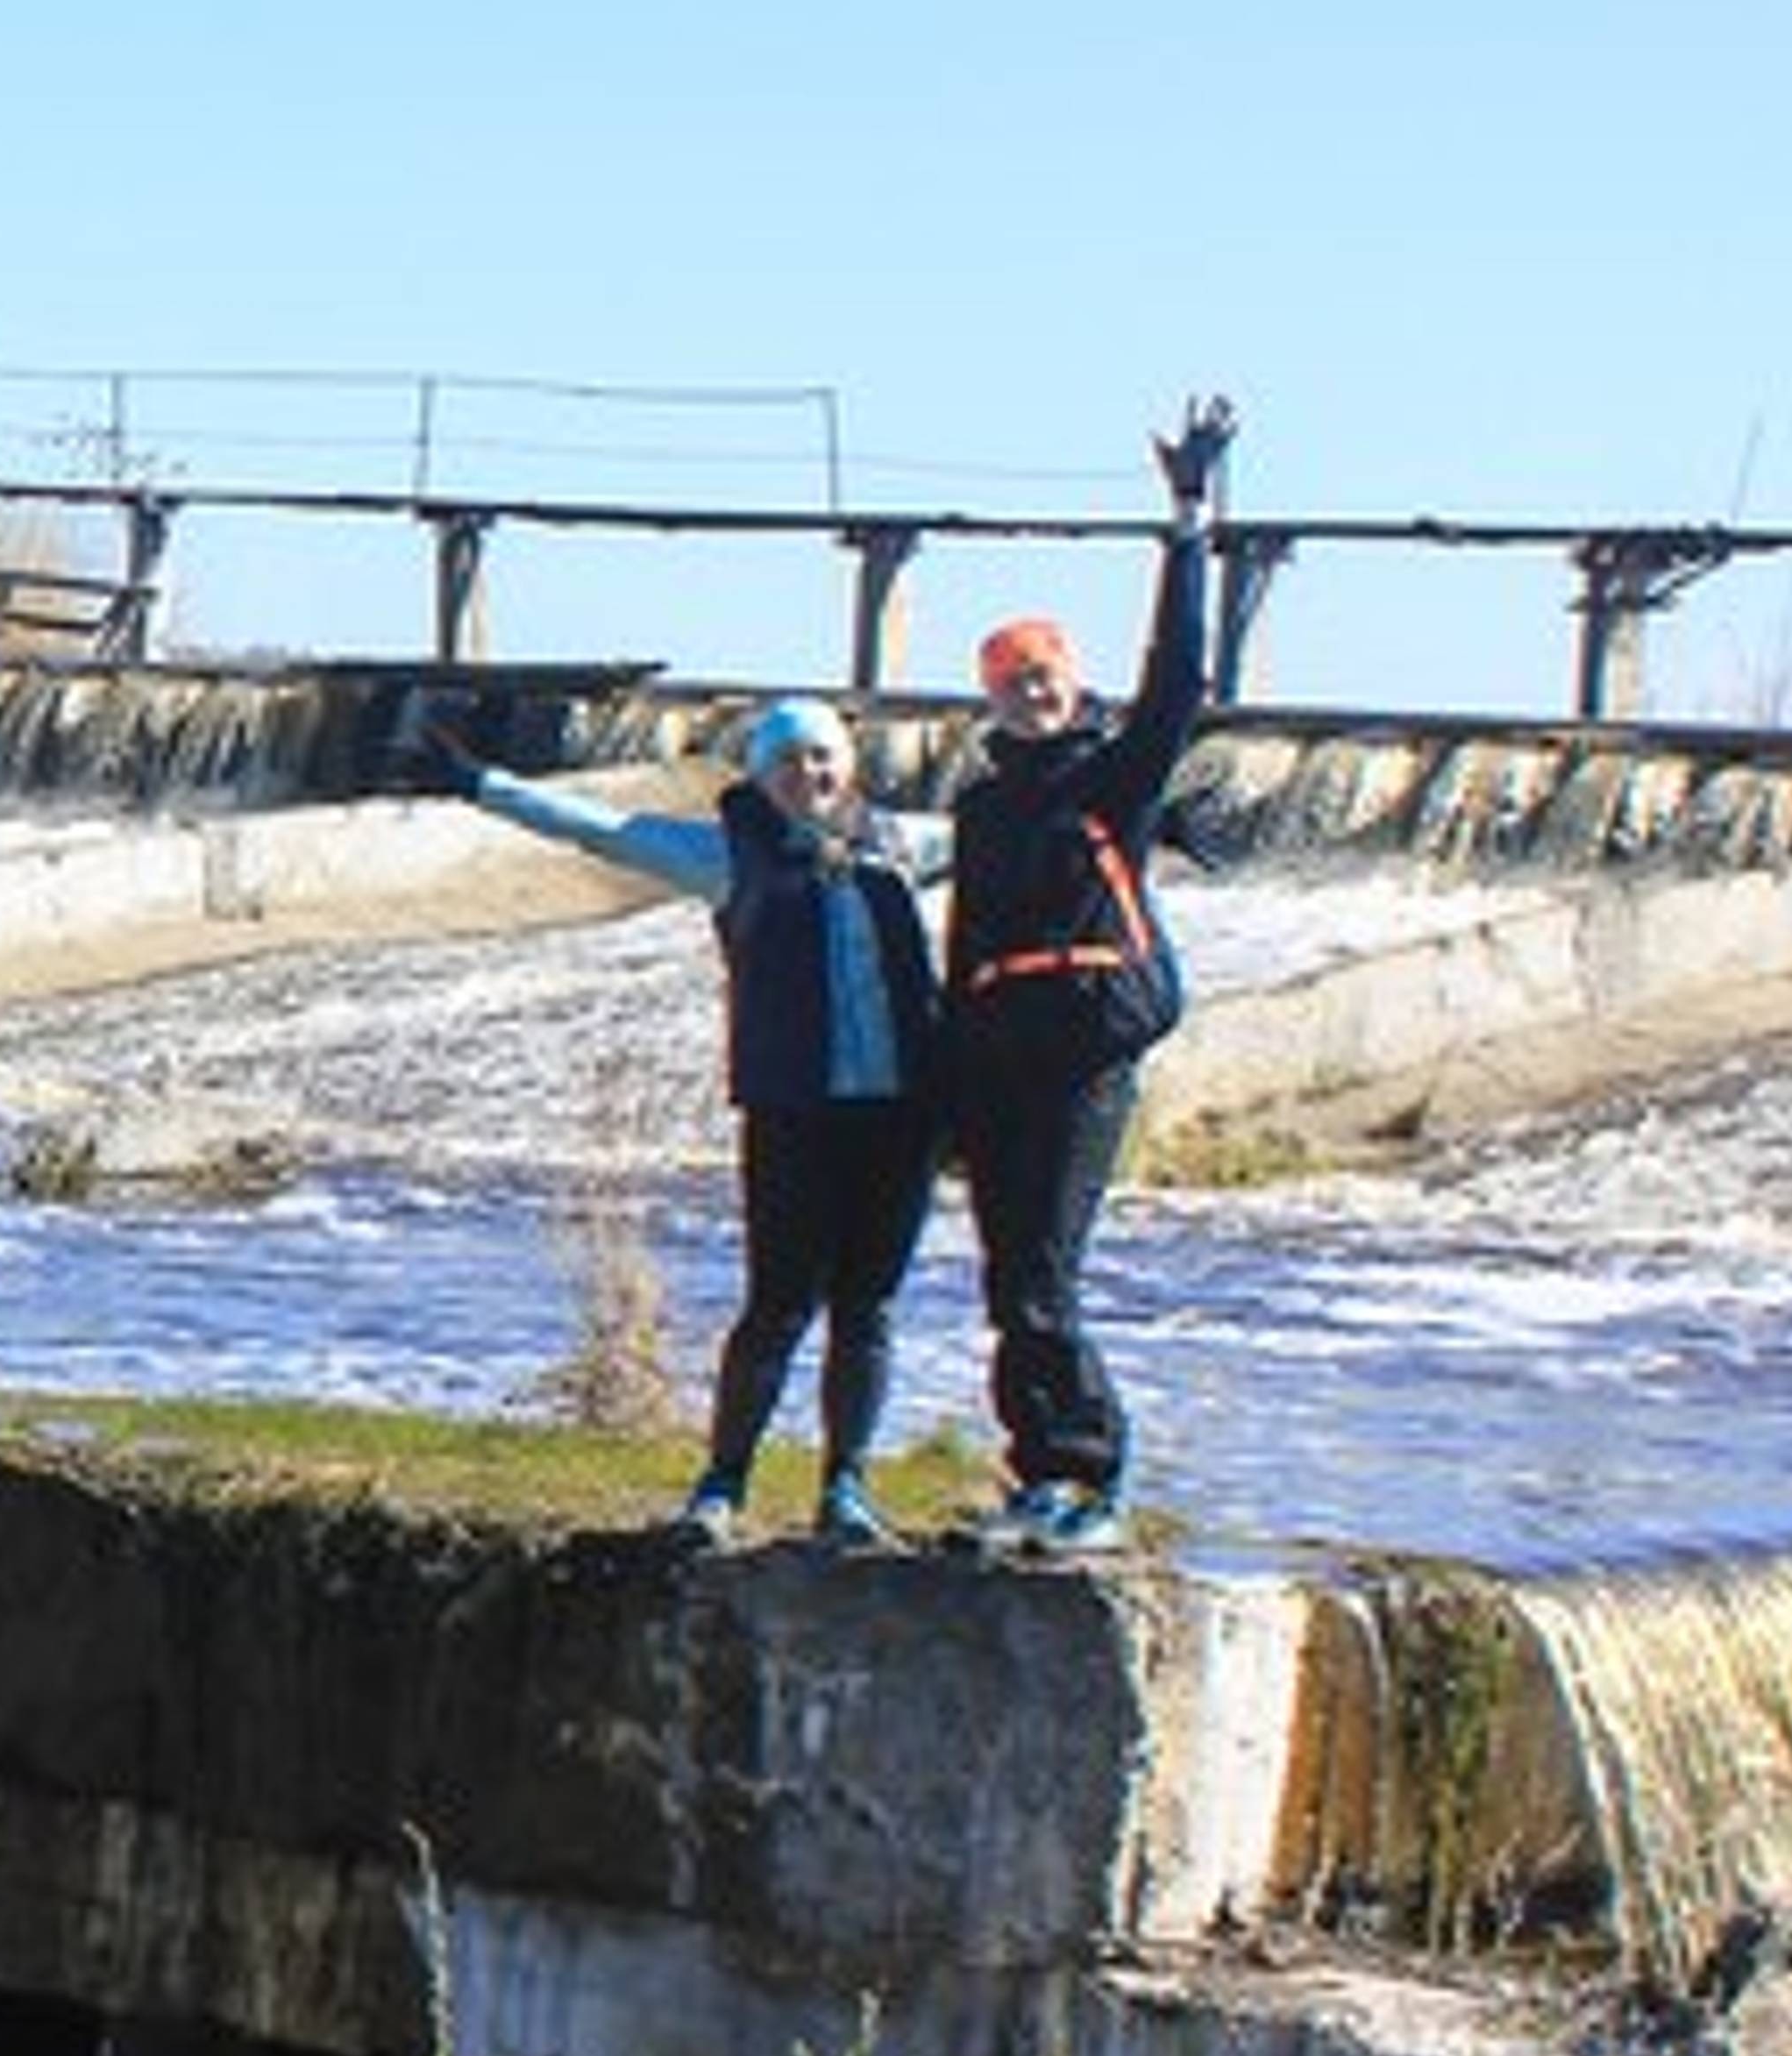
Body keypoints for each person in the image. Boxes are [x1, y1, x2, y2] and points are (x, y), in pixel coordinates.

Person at [431, 687, 942, 1551]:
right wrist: (482, 784)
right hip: (795, 1114)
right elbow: (599, 829)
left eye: (821, 756)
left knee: (869, 1308)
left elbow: (1014, 841)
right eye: (786, 759)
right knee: (778, 1306)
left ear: (846, 767)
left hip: (901, 1117)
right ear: (760, 774)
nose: (806, 773)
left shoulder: (901, 845)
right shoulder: (725, 856)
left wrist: (1144, 818)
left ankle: (846, 1489)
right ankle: (721, 1485)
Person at [936, 395, 1239, 1552]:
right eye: (1013, 680)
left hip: (1088, 1055)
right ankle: (1037, 1470)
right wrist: (947, 1095)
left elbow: (1180, 679)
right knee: (1010, 1277)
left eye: (1046, 674)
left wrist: (1187, 521)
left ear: (1072, 681)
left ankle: (1089, 1469)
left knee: (1043, 1277)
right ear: (991, 697)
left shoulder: (1116, 777)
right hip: (1002, 1057)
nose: (1033, 691)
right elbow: (964, 953)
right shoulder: (983, 805)